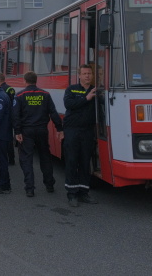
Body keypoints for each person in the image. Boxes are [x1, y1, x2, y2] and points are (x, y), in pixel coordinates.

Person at [13, 71, 64, 197]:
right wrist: (59, 128)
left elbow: (16, 116)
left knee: (26, 159)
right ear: (36, 81)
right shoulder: (45, 94)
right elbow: (53, 112)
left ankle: (30, 188)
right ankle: (49, 184)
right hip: (42, 129)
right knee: (45, 157)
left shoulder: (20, 95)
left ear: (24, 81)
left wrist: (17, 131)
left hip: (27, 130)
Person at [62, 65, 99, 207]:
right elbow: (69, 104)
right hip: (72, 130)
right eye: (84, 73)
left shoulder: (95, 90)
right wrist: (86, 98)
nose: (87, 76)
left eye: (89, 73)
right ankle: (72, 194)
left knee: (85, 162)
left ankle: (84, 193)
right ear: (79, 76)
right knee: (72, 161)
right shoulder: (71, 89)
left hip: (87, 131)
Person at [0, 72, 17, 165]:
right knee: (9, 138)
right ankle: (11, 159)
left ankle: (3, 158)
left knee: (1, 139)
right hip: (10, 116)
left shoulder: (0, 90)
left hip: (3, 117)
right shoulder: (10, 89)